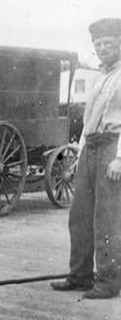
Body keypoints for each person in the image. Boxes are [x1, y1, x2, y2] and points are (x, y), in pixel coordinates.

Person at [50, 18, 121, 299]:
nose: (103, 48)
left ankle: (108, 280)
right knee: (79, 215)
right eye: (98, 44)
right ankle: (79, 275)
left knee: (108, 218)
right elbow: (89, 120)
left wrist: (120, 158)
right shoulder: (100, 77)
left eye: (109, 43)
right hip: (90, 148)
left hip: (111, 149)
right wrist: (80, 153)